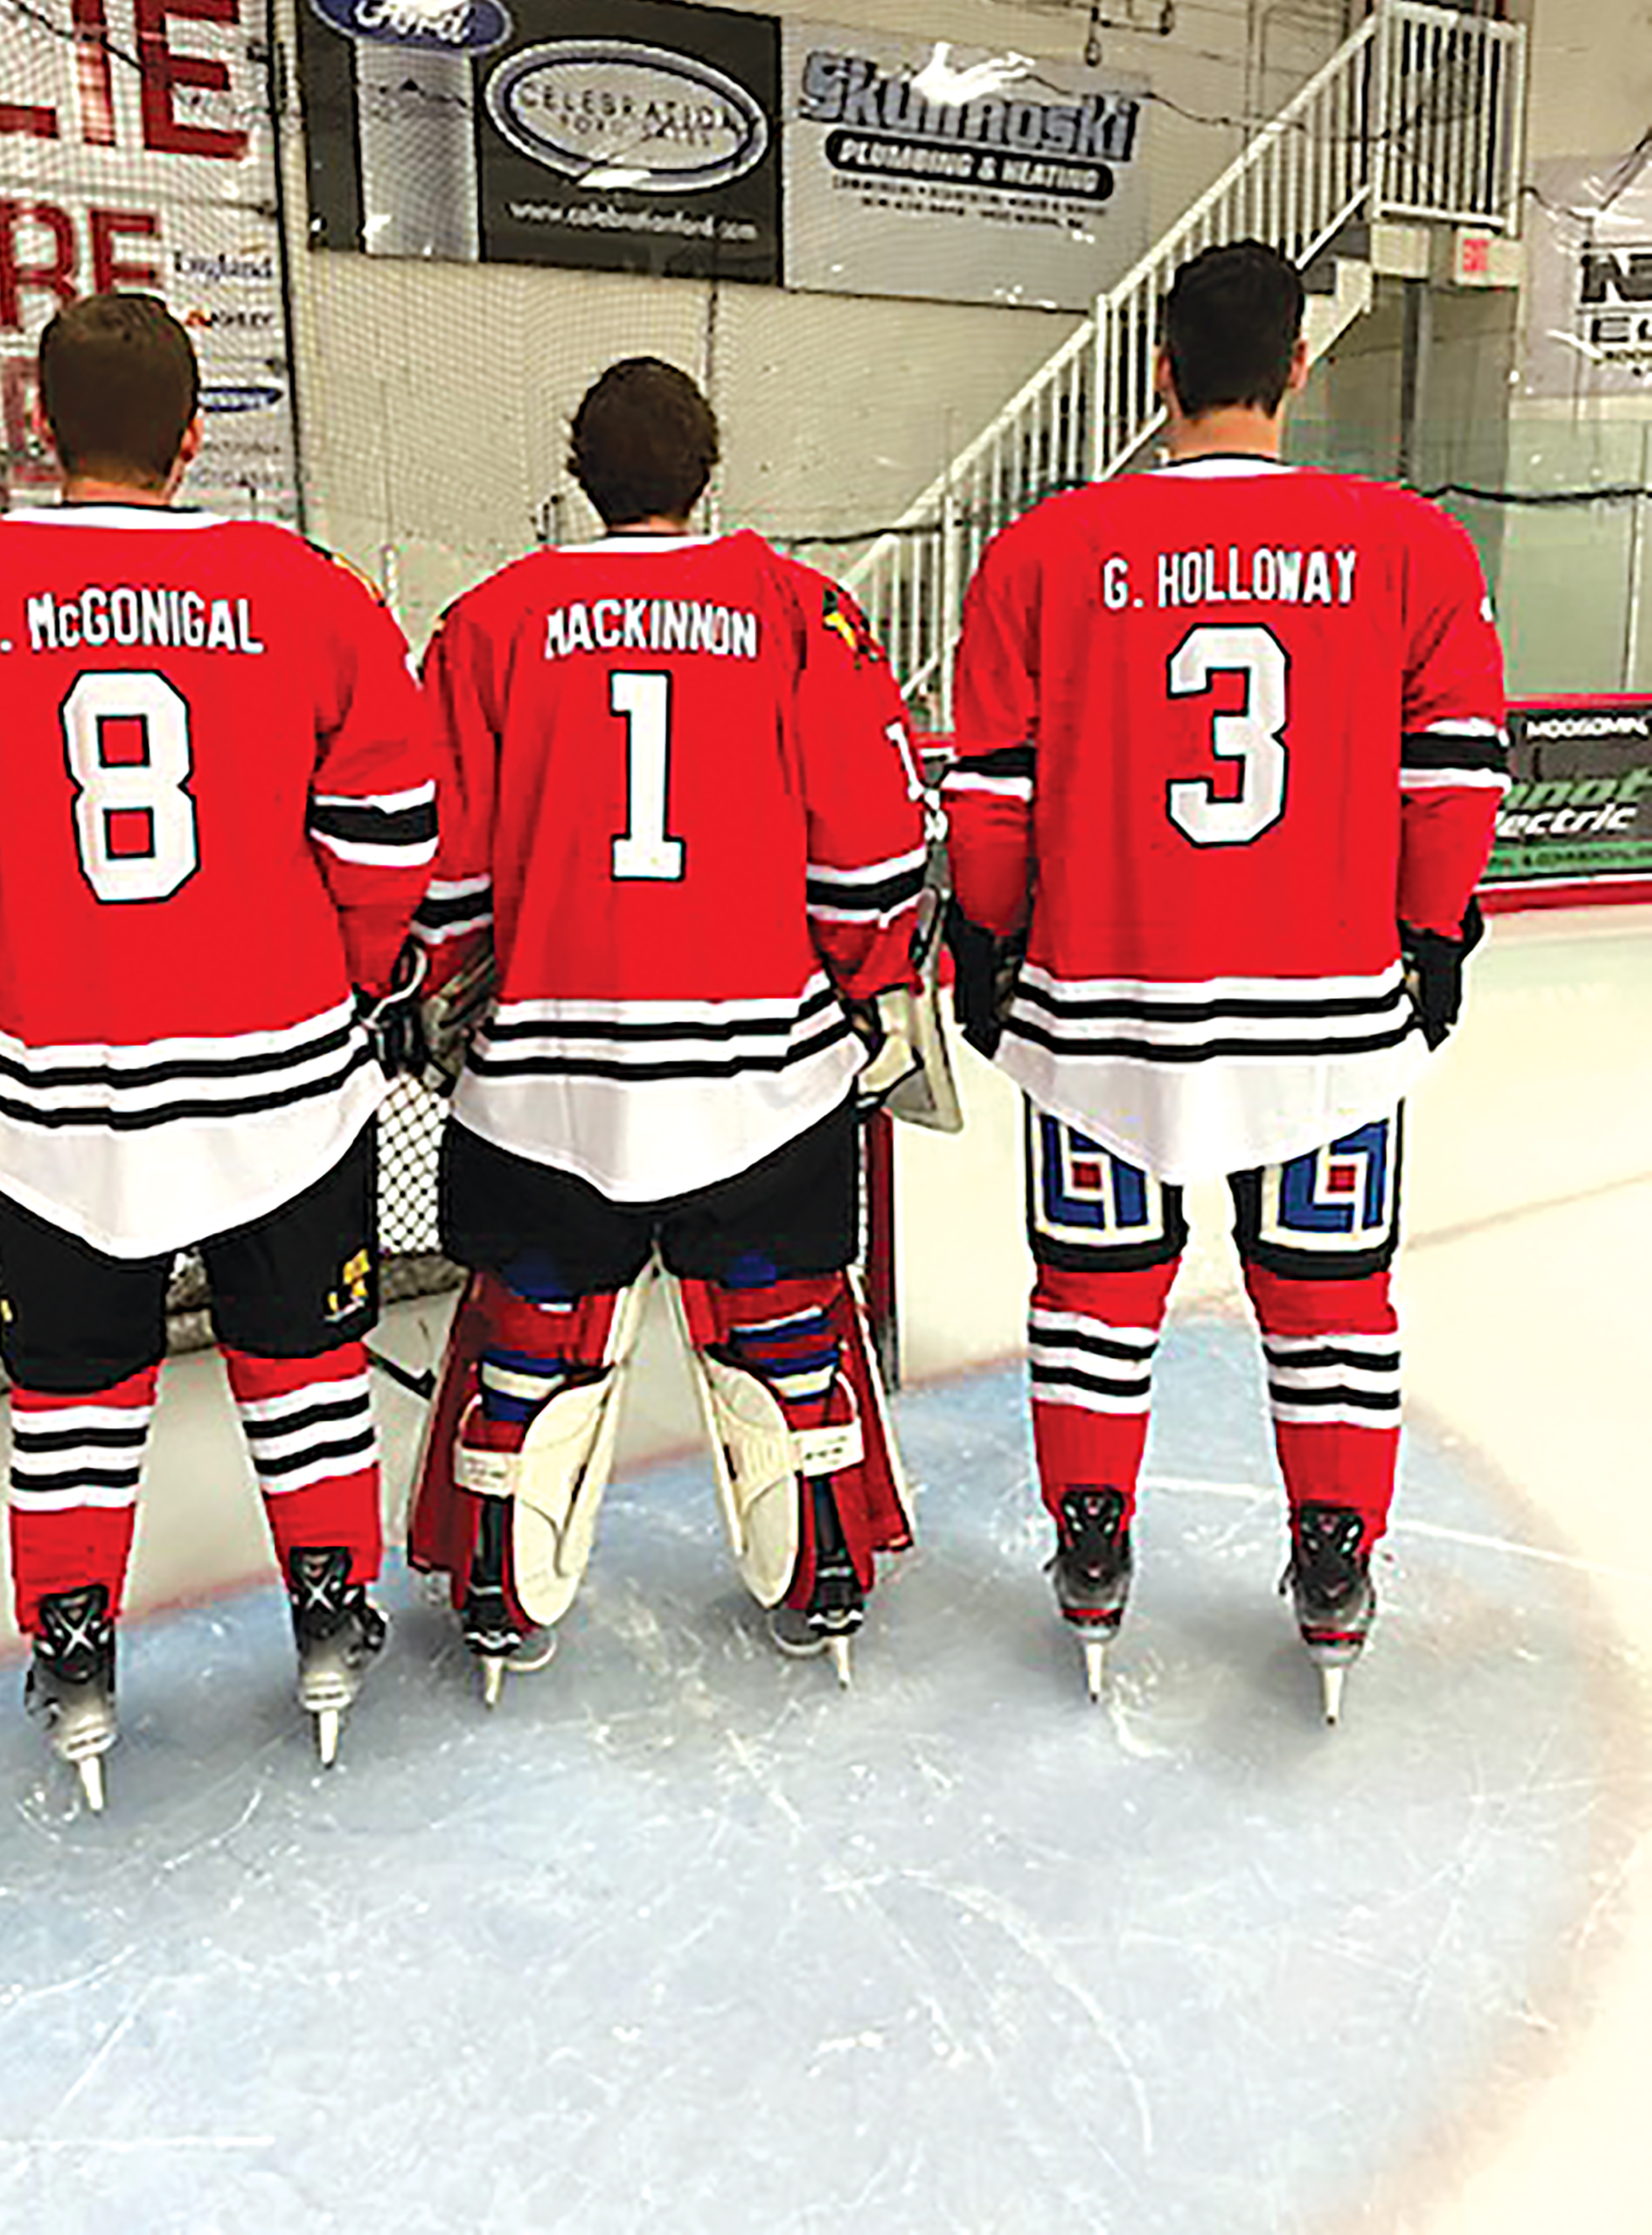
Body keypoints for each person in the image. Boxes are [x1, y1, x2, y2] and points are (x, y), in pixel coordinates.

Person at [0, 293, 439, 1804]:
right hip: (285, 1078)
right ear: (195, 433)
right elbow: (388, 835)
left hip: (52, 1090)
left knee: (74, 1391)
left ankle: (80, 1645)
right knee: (302, 1367)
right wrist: (359, 984)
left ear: (40, 430)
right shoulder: (305, 590)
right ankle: (325, 1612)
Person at [945, 239, 1508, 1720]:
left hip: (1100, 1020)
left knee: (1091, 1300)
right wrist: (1433, 935)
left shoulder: (1045, 553)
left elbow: (990, 799)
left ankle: (1090, 1545)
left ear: (1162, 374)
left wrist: (985, 944)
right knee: (1330, 1306)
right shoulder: (1411, 547)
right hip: (1326, 1026)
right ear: (1297, 374)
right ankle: (1334, 1558)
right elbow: (1455, 774)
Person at [403, 357, 927, 1700]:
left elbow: (443, 872)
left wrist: (440, 984)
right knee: (784, 1324)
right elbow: (872, 857)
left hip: (546, 1082)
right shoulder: (803, 613)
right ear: (711, 469)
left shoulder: (488, 625)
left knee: (535, 1334)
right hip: (765, 1075)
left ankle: (499, 1598)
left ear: (579, 470)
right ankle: (820, 1575)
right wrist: (869, 990)